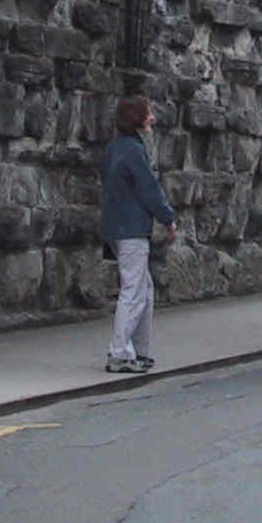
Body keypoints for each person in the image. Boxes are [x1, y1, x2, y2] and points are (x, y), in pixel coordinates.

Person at [99, 95, 176, 373]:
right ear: (137, 118)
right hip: (130, 227)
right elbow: (149, 188)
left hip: (115, 225)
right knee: (134, 290)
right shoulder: (133, 149)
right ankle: (120, 352)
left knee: (144, 288)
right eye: (148, 113)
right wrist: (168, 217)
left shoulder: (114, 148)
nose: (153, 118)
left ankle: (139, 350)